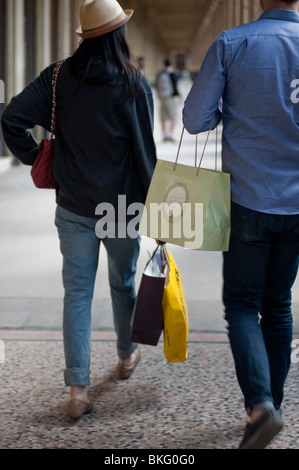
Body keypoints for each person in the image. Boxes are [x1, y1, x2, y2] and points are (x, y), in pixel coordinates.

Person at [1, 0, 157, 420]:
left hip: (73, 206)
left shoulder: (57, 77)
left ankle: (77, 390)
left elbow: (12, 117)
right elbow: (145, 155)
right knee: (122, 284)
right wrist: (157, 211)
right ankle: (125, 358)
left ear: (86, 37)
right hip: (121, 207)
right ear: (119, 33)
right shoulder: (133, 83)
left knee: (77, 294)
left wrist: (34, 157)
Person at [183, 0, 299, 449]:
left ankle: (261, 406)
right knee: (280, 304)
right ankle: (276, 404)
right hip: (296, 204)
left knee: (242, 305)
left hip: (249, 197)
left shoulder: (232, 42)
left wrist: (226, 114)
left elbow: (195, 119)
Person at [156, 58, 180, 142]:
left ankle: (164, 135)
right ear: (171, 64)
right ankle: (170, 134)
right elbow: (176, 86)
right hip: (170, 98)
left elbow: (156, 86)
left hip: (162, 98)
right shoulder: (172, 74)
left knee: (163, 117)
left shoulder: (160, 74)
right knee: (173, 116)